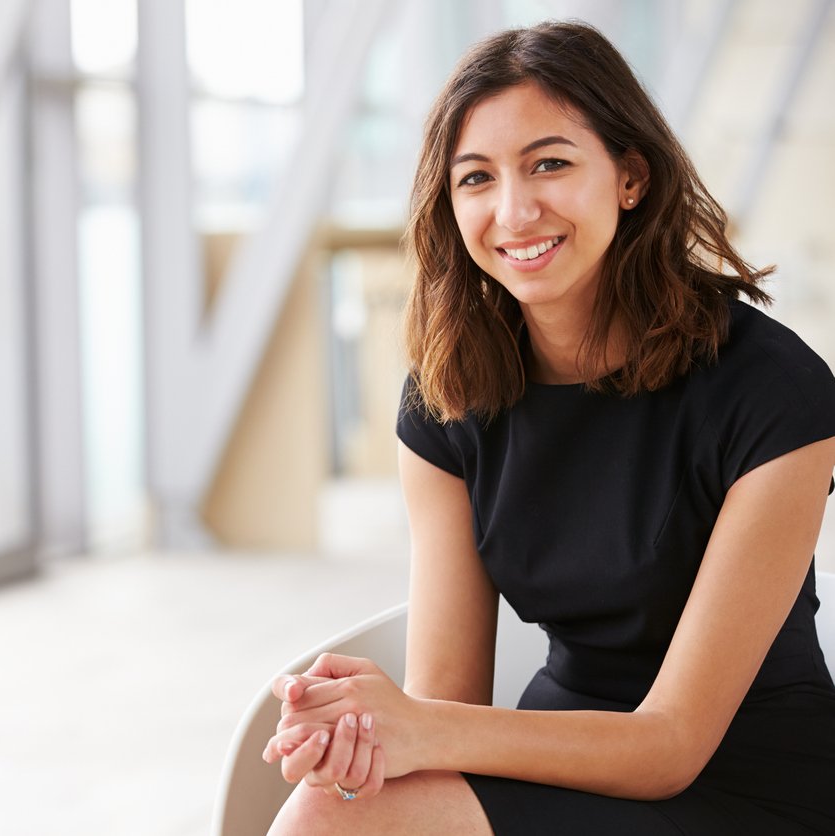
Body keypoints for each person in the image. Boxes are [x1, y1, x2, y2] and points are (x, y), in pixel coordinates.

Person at [260, 19, 835, 835]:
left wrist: (418, 727)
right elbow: (445, 703)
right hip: (551, 761)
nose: (514, 210)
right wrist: (362, 732)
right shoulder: (448, 395)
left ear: (630, 176)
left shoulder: (774, 391)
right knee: (331, 809)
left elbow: (671, 745)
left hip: (747, 783)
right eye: (476, 179)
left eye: (550, 164)